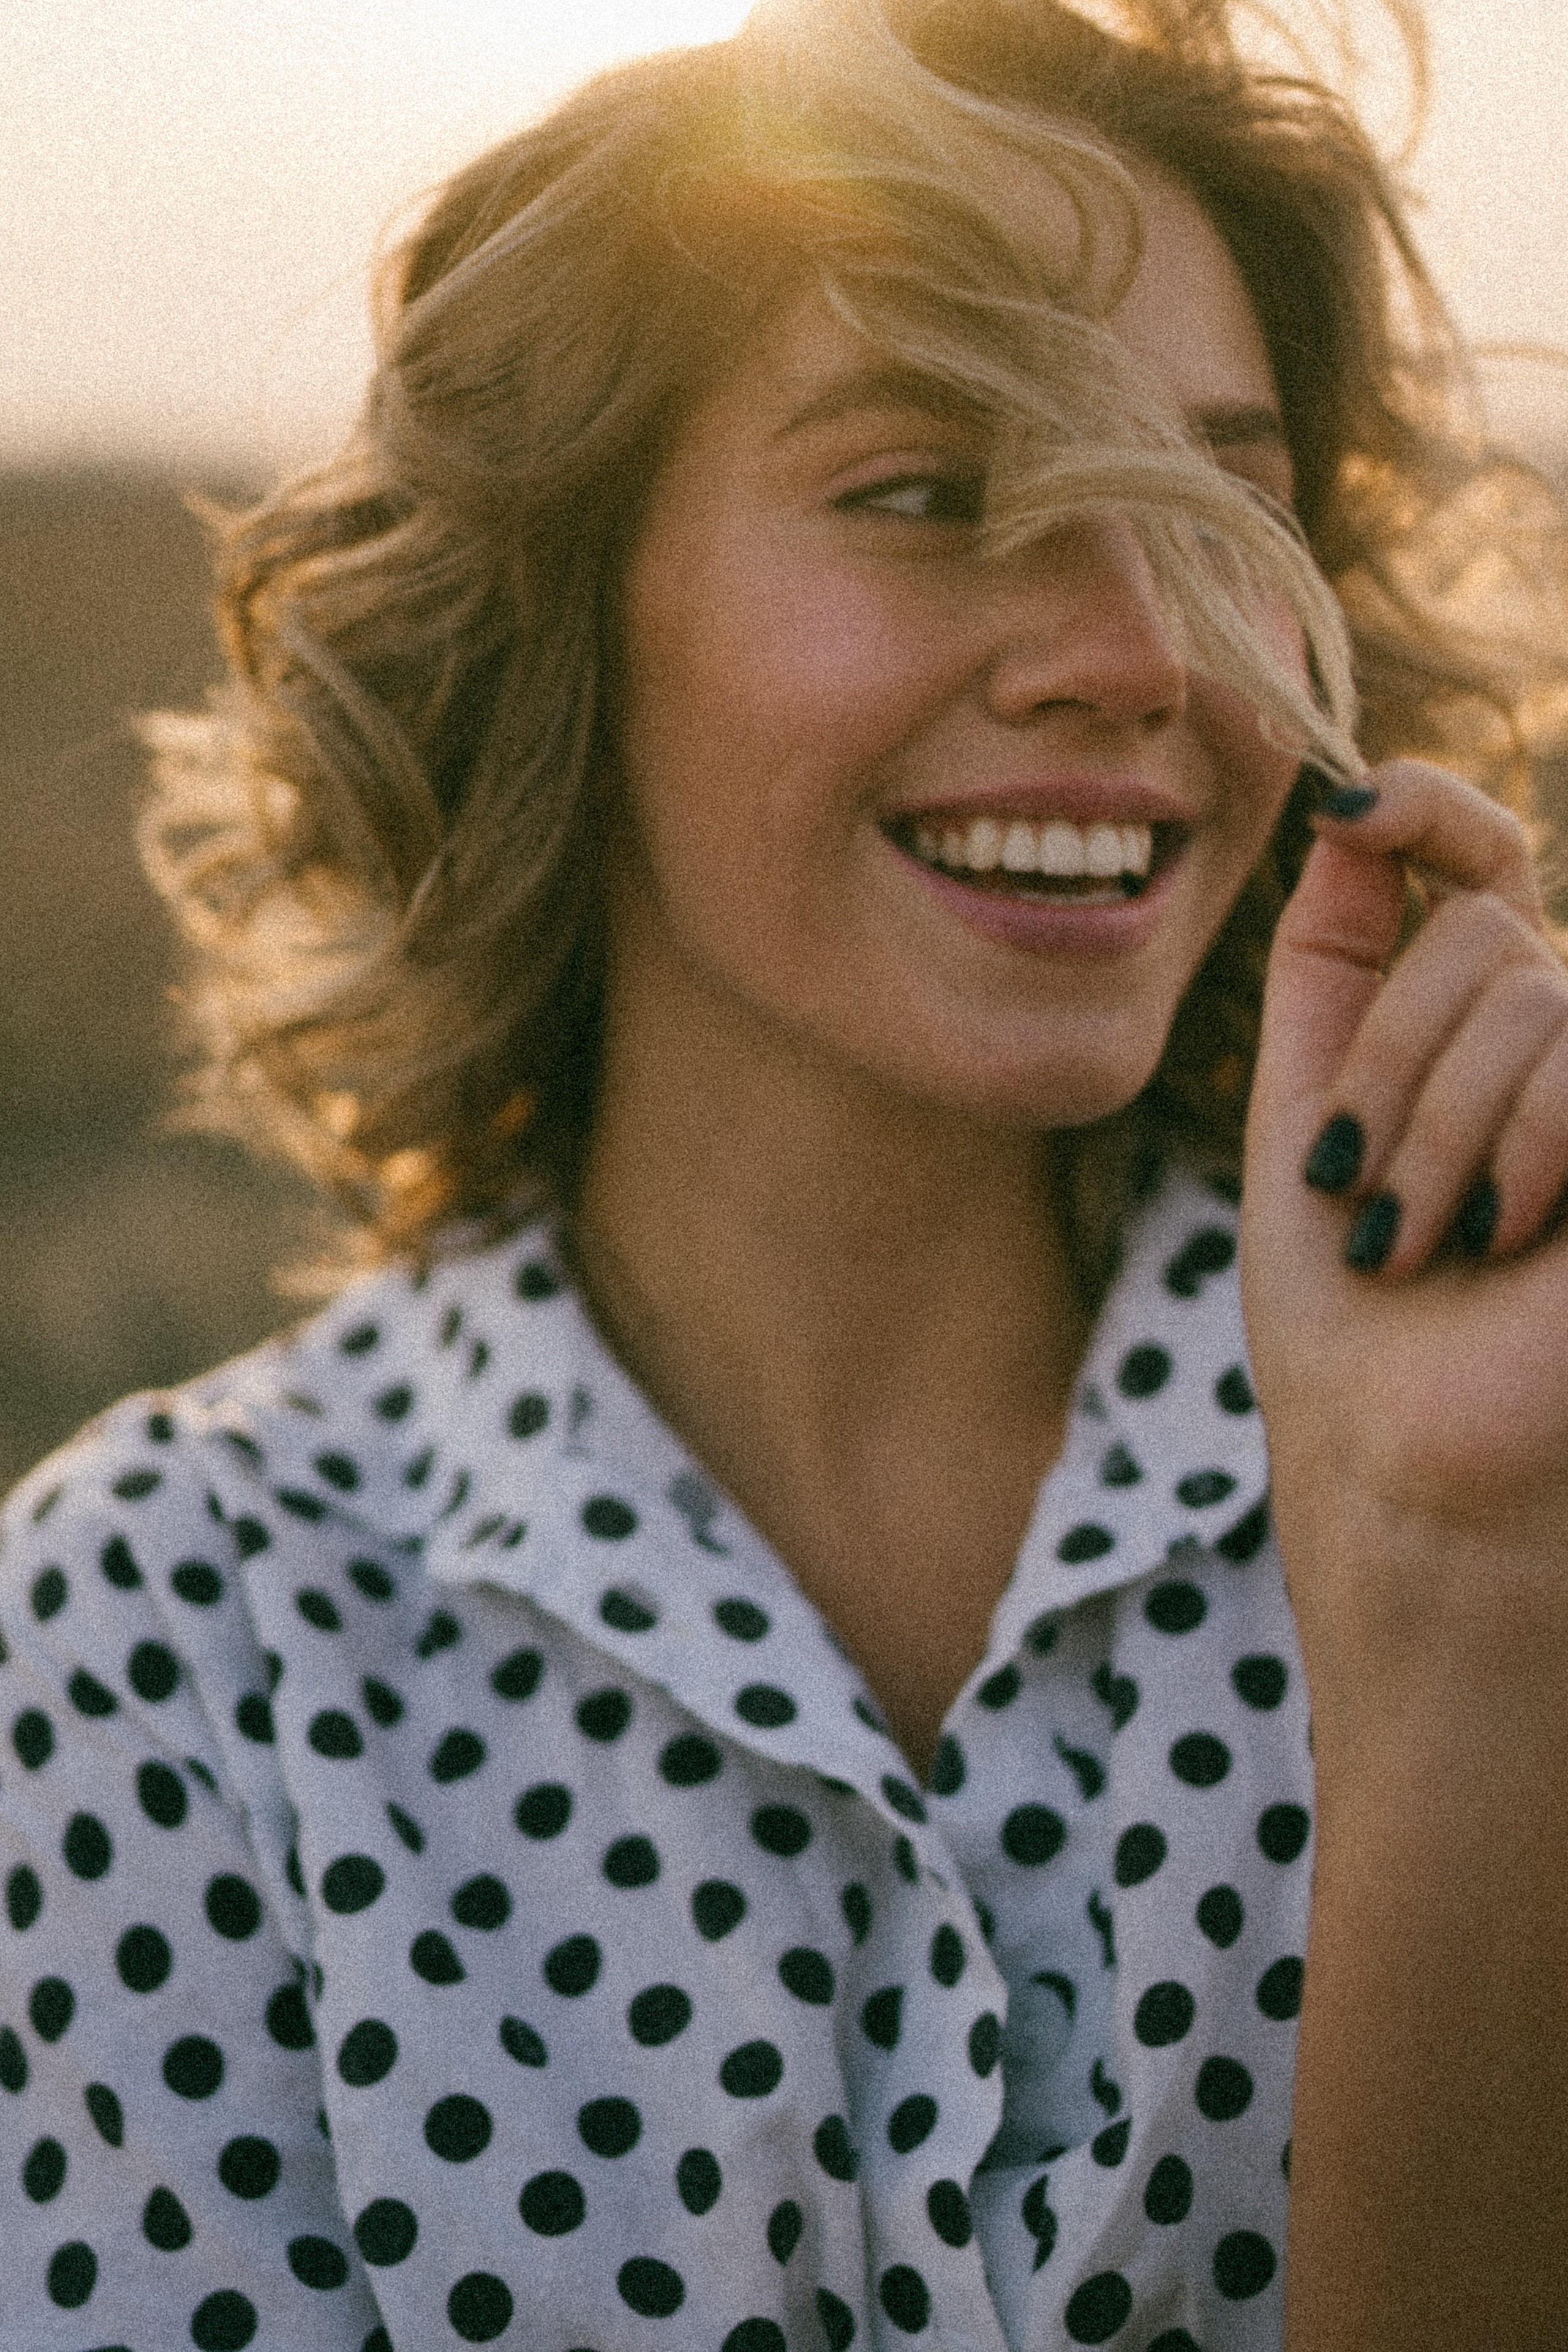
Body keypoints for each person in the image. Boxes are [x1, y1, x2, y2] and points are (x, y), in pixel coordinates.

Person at [5, 0, 1568, 2345]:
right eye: (927, 491)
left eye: (1224, 506)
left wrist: (1460, 1606)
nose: (1142, 651)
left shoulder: (1523, 1465)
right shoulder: (161, 1653)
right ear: (564, 605)